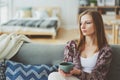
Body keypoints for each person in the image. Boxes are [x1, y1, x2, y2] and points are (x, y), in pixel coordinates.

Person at [48, 10, 112, 80]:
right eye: (81, 23)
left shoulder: (106, 51)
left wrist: (79, 72)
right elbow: (66, 64)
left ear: (97, 24)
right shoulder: (72, 45)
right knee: (53, 76)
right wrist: (62, 70)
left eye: (88, 23)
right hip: (73, 78)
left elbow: (100, 77)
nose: (83, 26)